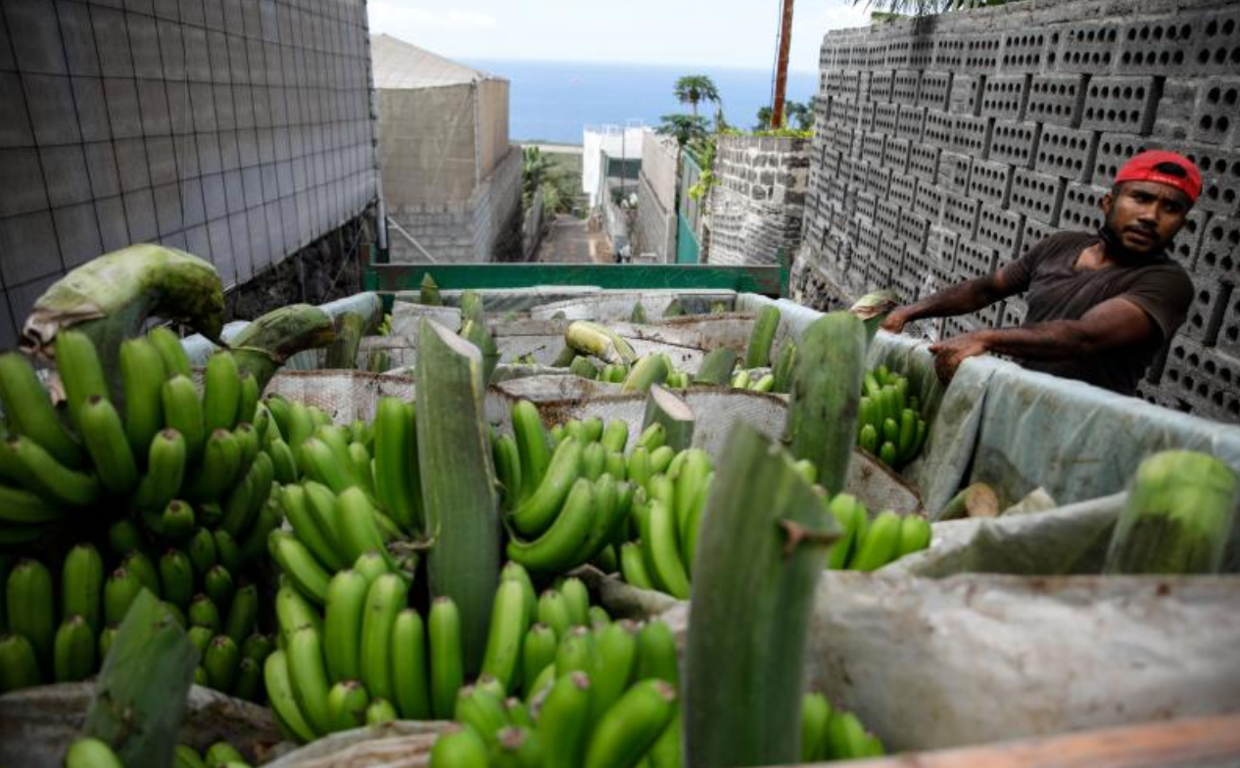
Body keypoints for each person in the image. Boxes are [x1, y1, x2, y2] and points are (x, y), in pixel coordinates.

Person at [882, 150, 1200, 396]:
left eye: (1170, 208)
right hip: (1019, 396)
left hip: (1085, 423)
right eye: (1140, 198)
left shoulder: (1167, 283)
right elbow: (986, 289)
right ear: (1108, 203)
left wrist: (986, 337)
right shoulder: (1062, 246)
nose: (1150, 216)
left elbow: (1083, 336)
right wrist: (907, 312)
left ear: (1181, 225)